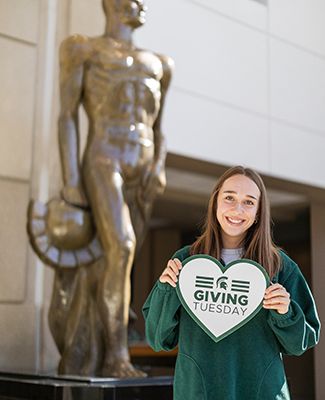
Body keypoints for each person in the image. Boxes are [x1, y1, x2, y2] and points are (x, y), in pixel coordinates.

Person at [58, 0, 173, 376]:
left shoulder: (160, 63)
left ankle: (106, 341)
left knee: (118, 259)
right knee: (121, 248)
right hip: (105, 158)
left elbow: (159, 129)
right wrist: (72, 181)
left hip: (142, 174)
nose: (142, 4)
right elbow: (67, 117)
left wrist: (158, 166)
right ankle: (116, 356)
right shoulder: (83, 48)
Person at [143, 166, 320, 399]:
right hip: (197, 393)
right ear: (215, 202)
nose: (237, 209)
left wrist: (285, 312)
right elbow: (158, 339)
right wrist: (166, 290)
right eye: (229, 198)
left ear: (258, 212)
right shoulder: (186, 262)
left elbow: (301, 343)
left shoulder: (279, 266)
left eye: (248, 202)